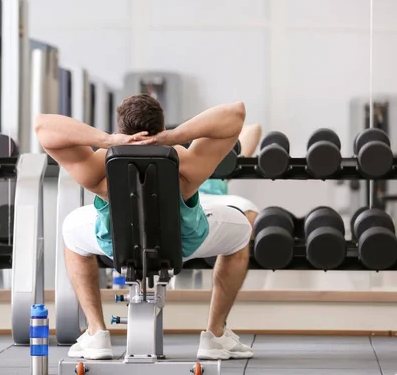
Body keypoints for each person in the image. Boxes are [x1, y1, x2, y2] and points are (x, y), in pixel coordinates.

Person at [34, 94, 253, 361]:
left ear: (119, 129)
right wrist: (173, 137)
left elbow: (42, 127)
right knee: (242, 228)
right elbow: (236, 114)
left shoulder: (98, 167)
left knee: (72, 229)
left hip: (117, 245)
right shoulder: (186, 162)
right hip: (183, 244)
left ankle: (97, 333)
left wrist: (109, 141)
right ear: (161, 126)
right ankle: (215, 335)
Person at [198, 124, 262, 230]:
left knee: (249, 215)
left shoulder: (218, 164)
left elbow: (254, 129)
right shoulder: (182, 150)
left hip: (213, 198)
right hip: (185, 196)